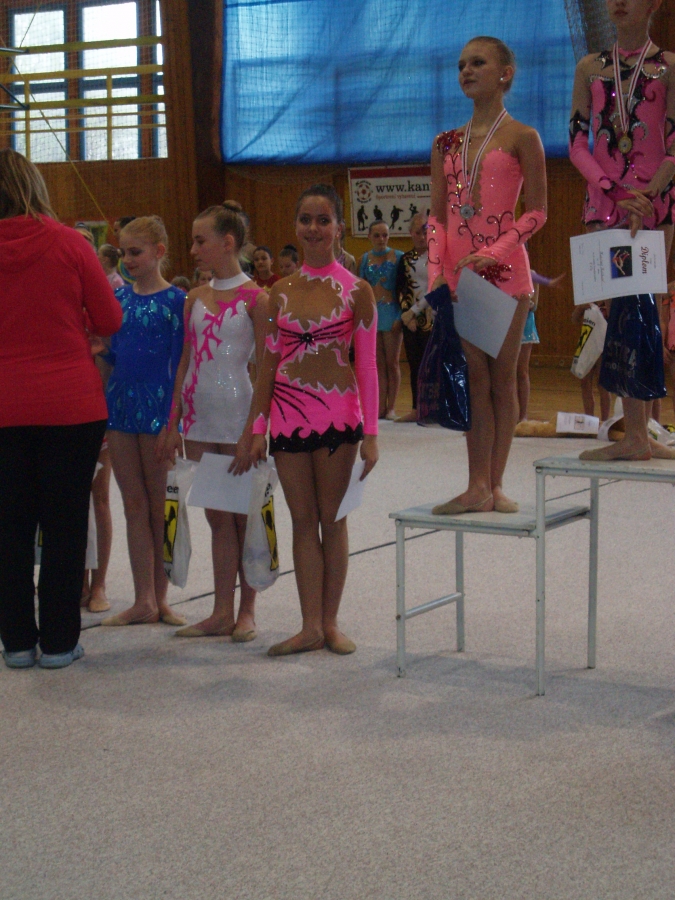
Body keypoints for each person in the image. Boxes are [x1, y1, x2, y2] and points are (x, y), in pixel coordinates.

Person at [0, 149, 122, 669]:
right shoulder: (72, 243)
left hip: (5, 405)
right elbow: (110, 318)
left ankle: (16, 642)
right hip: (70, 404)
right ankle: (58, 642)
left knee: (9, 528)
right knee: (66, 524)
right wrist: (79, 330)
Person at [250, 184, 379, 656]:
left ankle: (330, 622)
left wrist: (371, 434)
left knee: (333, 519)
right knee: (302, 521)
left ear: (339, 227)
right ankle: (309, 625)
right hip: (287, 419)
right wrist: (258, 427)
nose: (314, 228)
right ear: (295, 226)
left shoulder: (357, 290)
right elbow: (267, 363)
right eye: (305, 220)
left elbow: (367, 365)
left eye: (323, 220)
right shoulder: (276, 295)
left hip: (338, 419)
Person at [427, 36, 547, 514]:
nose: (466, 71)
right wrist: (436, 272)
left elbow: (537, 212)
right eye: (461, 65)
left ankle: (494, 485)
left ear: (505, 73)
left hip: (504, 271)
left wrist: (494, 251)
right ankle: (477, 483)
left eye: (477, 62)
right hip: (460, 275)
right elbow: (437, 217)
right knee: (472, 374)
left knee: (502, 379)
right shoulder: (445, 143)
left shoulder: (522, 136)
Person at [569, 0, 675, 460]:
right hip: (606, 200)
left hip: (654, 203)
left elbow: (674, 145)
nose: (618, 2)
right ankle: (635, 433)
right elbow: (577, 143)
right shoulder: (589, 67)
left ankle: (641, 433)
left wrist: (647, 196)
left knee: (647, 312)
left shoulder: (670, 66)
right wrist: (614, 191)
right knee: (618, 313)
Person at [161, 206, 269, 639]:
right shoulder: (194, 298)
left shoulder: (258, 299)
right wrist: (173, 422)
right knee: (217, 518)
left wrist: (255, 430)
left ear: (228, 243)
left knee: (244, 515)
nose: (193, 250)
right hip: (200, 416)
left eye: (200, 241)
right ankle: (221, 609)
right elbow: (185, 361)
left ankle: (247, 611)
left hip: (238, 412)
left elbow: (265, 370)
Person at [100, 216, 187, 627]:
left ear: (159, 251)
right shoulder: (117, 299)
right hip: (120, 409)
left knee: (160, 506)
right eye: (124, 253)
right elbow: (109, 357)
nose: (128, 260)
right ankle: (143, 599)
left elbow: (182, 366)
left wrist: (174, 422)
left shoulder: (177, 301)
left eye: (136, 252)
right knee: (133, 505)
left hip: (159, 411)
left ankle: (162, 597)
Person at [359, 221, 403, 419]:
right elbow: (360, 290)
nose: (381, 239)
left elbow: (404, 288)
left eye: (384, 235)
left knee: (392, 362)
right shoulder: (364, 259)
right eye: (376, 235)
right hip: (373, 314)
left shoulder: (398, 257)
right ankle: (380, 406)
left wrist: (400, 315)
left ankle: (391, 406)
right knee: (378, 364)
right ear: (369, 236)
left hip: (392, 313)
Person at [517, 269, 566, 421]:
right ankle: (508, 412)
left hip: (525, 324)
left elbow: (535, 305)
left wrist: (528, 303)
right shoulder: (505, 270)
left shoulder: (530, 273)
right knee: (506, 372)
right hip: (507, 321)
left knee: (522, 371)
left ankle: (523, 415)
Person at [398, 213, 432, 422]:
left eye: (425, 232)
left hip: (433, 317)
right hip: (410, 320)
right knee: (415, 364)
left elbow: (435, 288)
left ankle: (435, 409)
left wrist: (414, 311)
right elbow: (401, 289)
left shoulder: (437, 258)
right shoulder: (405, 259)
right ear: (411, 233)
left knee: (434, 365)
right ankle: (416, 408)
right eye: (418, 232)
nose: (422, 237)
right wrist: (406, 314)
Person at [571, 301, 611, 421]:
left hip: (604, 345)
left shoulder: (610, 300)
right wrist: (581, 308)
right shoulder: (588, 300)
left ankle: (605, 421)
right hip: (587, 343)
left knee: (602, 385)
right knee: (585, 382)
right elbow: (574, 319)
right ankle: (589, 419)